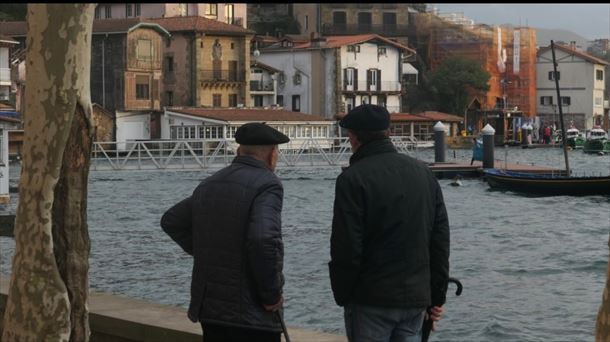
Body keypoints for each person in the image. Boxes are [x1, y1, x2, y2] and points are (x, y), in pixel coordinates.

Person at [329, 104, 450, 342]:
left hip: (370, 299)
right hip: (416, 298)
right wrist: (436, 297)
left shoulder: (352, 179)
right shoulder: (424, 173)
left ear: (353, 137)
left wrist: (344, 296)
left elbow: (347, 247)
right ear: (388, 133)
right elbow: (439, 241)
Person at [160, 122, 289, 342]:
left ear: (239, 151)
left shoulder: (209, 184)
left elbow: (172, 221)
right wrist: (271, 295)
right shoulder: (268, 184)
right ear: (272, 155)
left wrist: (207, 251)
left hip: (211, 309)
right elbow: (263, 240)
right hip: (251, 314)